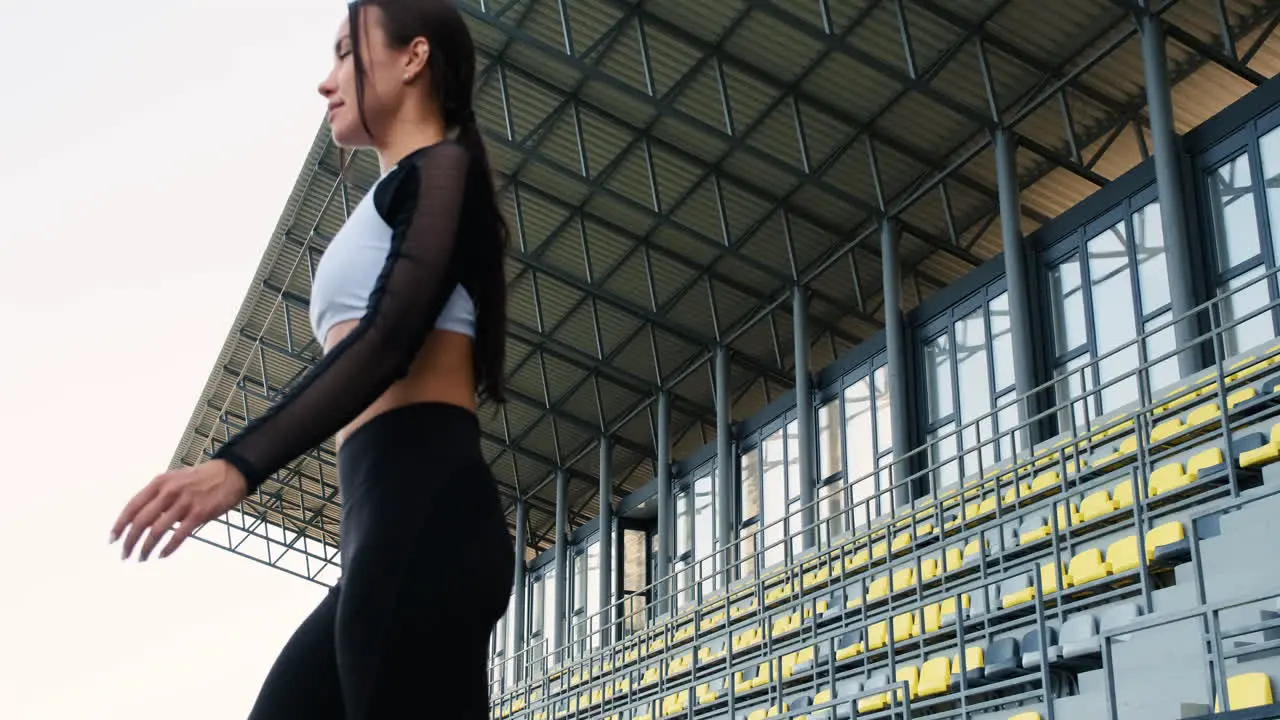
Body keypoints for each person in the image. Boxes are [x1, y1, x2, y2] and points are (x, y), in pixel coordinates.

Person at [109, 1, 516, 716]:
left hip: (424, 514)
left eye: (343, 53)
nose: (326, 82)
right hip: (383, 528)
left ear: (413, 58)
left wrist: (235, 466)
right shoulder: (390, 195)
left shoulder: (444, 170)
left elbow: (389, 340)